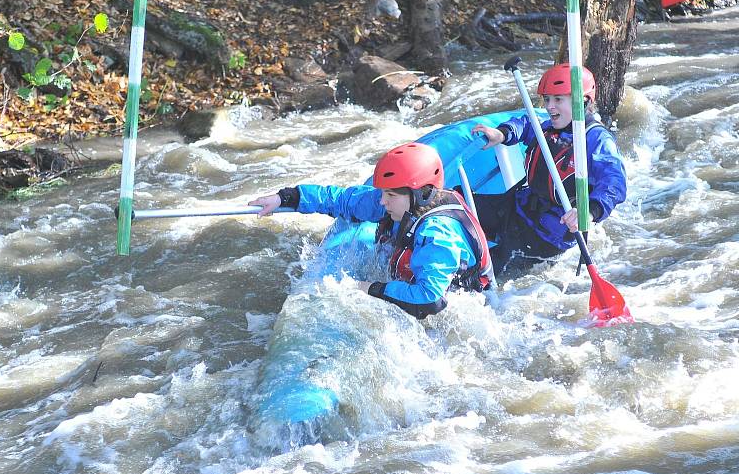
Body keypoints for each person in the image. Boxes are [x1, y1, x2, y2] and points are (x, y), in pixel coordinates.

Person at [249, 142, 494, 319]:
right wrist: (287, 197)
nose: (381, 202)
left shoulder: (439, 234)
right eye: (383, 193)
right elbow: (342, 200)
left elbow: (429, 298)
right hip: (417, 286)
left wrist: (370, 288)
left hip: (459, 310)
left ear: (421, 194)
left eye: (390, 195)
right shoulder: (398, 203)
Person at [471, 63, 627, 278]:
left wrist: (588, 212)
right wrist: (502, 133)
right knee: (455, 204)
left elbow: (614, 184)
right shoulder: (549, 128)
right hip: (516, 210)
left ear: (582, 100)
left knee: (474, 279)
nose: (550, 107)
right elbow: (526, 125)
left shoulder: (597, 140)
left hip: (543, 239)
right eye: (547, 99)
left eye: (558, 99)